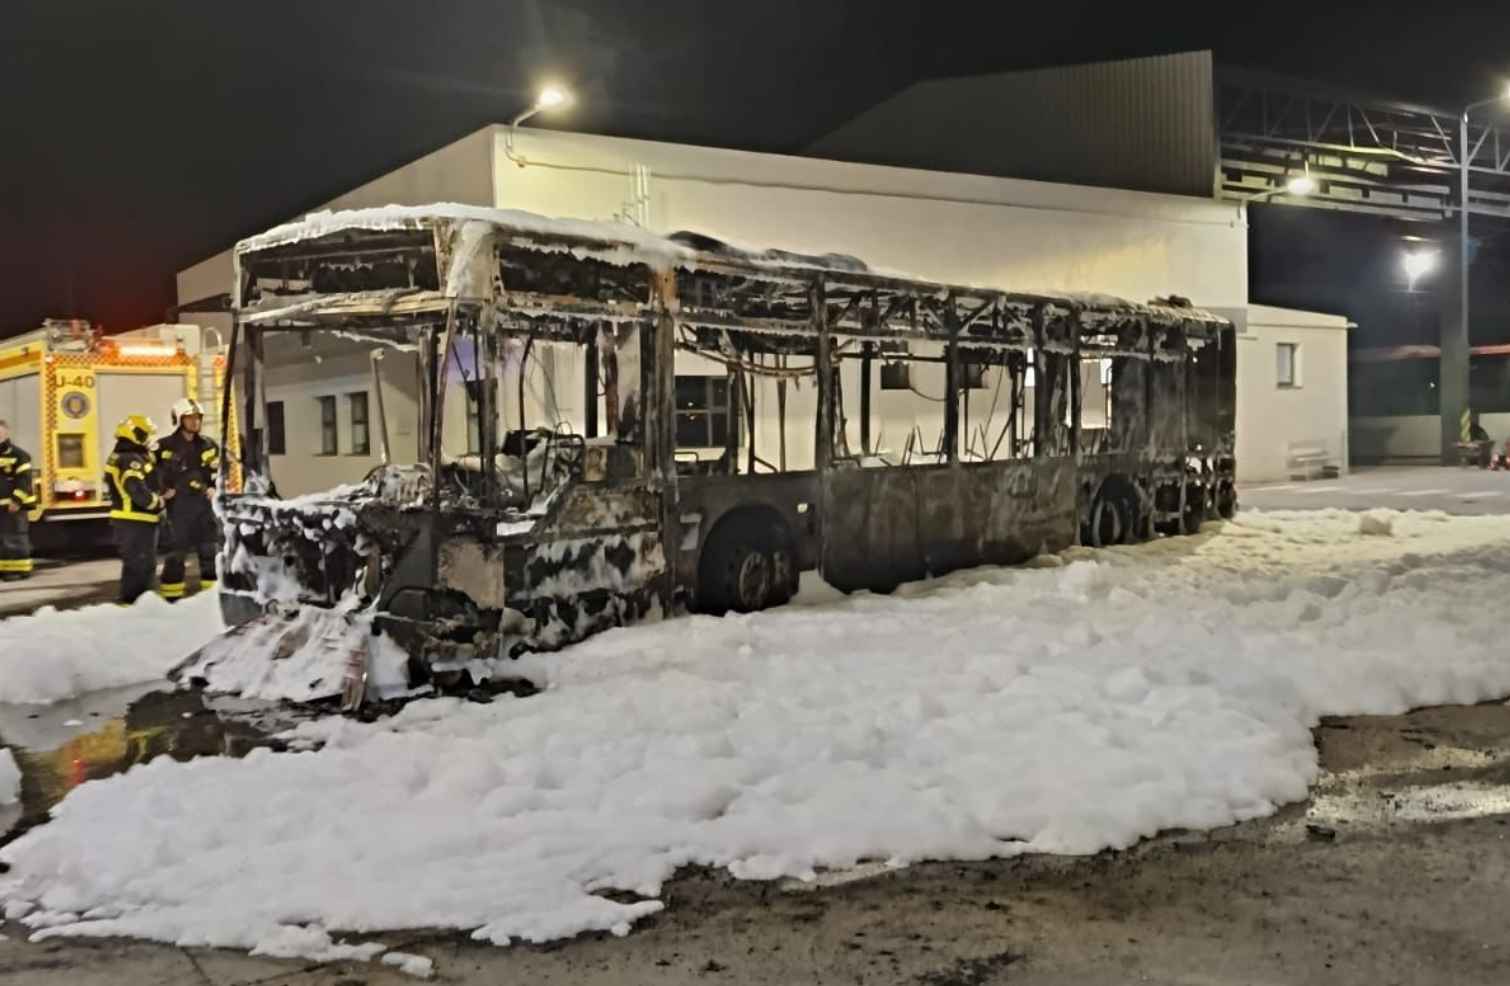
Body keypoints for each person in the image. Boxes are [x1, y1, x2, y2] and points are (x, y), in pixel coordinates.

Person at [155, 398, 220, 600]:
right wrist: (163, 490)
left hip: (203, 507)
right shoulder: (162, 446)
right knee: (176, 554)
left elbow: (218, 472)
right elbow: (150, 474)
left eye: (198, 418)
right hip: (178, 509)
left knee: (209, 551)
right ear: (179, 419)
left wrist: (213, 488)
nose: (195, 422)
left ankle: (211, 596)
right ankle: (172, 598)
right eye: (189, 418)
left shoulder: (209, 444)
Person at [104, 414, 165, 605]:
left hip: (131, 520)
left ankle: (134, 604)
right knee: (141, 565)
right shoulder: (131, 459)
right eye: (146, 435)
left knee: (136, 565)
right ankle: (136, 605)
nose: (149, 439)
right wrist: (158, 502)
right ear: (135, 434)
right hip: (135, 520)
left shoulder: (123, 455)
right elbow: (136, 489)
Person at [0, 419, 37, 581]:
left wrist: (16, 500)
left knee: (14, 537)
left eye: (0, 432)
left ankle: (18, 570)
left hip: (14, 506)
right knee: (4, 538)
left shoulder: (19, 455)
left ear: (6, 433)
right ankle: (5, 569)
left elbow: (24, 480)